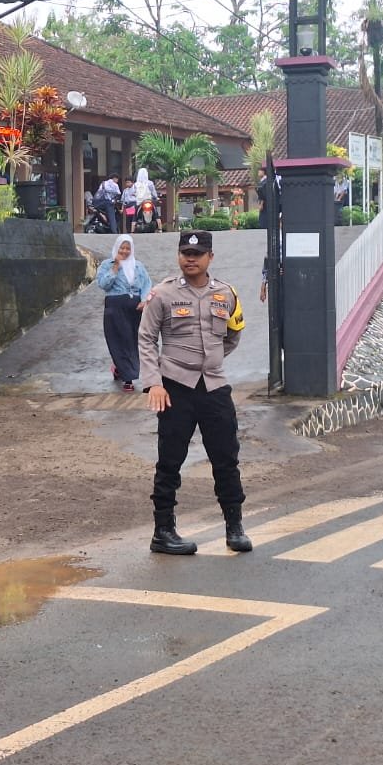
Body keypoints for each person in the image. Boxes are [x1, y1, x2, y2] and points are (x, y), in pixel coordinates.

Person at [137, 230, 252, 555]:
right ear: (178, 256)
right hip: (175, 389)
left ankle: (235, 526)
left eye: (197, 253)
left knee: (226, 458)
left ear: (210, 258)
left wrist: (210, 360)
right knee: (169, 461)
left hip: (214, 388)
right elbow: (146, 339)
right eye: (185, 252)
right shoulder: (161, 294)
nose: (190, 258)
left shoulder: (226, 294)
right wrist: (154, 382)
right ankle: (163, 531)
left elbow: (233, 334)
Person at [96, 234, 152, 392]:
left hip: (134, 308)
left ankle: (120, 369)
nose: (125, 251)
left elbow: (147, 284)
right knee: (120, 341)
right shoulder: (107, 264)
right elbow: (103, 284)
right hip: (115, 307)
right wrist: (115, 267)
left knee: (133, 341)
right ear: (117, 248)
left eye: (128, 248)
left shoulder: (138, 266)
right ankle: (129, 378)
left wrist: (144, 300)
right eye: (122, 248)